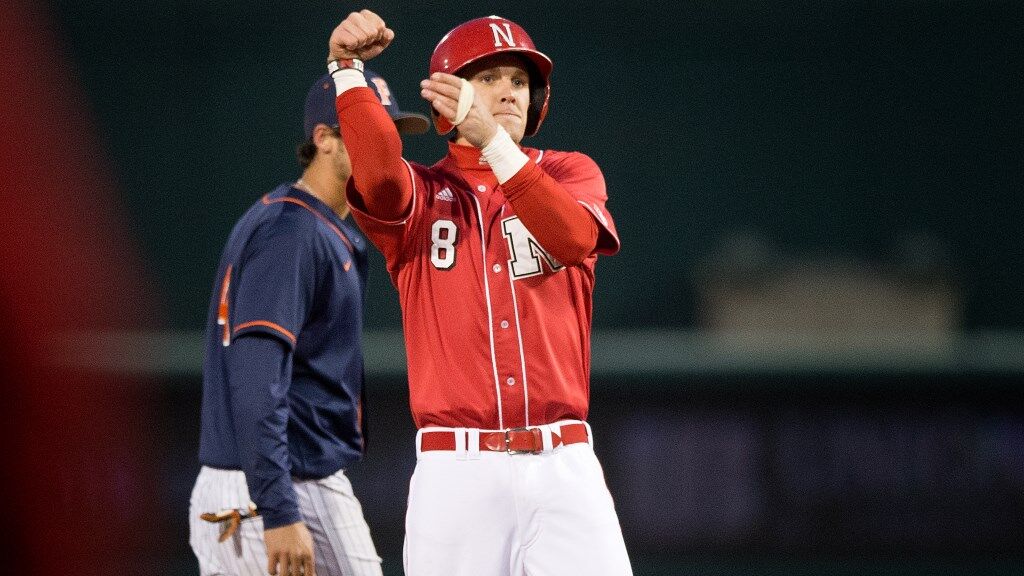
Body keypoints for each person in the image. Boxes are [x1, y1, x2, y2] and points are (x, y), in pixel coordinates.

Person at [325, 10, 632, 576]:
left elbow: (570, 237)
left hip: (563, 464)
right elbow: (377, 173)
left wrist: (491, 140)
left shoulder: (571, 172)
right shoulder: (424, 191)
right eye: (488, 78)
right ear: (448, 97)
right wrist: (347, 72)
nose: (509, 92)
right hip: (457, 472)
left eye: (518, 80)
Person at [188, 68, 429, 576]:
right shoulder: (292, 233)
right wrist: (278, 510)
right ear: (323, 139)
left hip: (265, 479)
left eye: (388, 135)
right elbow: (257, 378)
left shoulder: (303, 224)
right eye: (365, 132)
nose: (383, 147)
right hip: (278, 485)